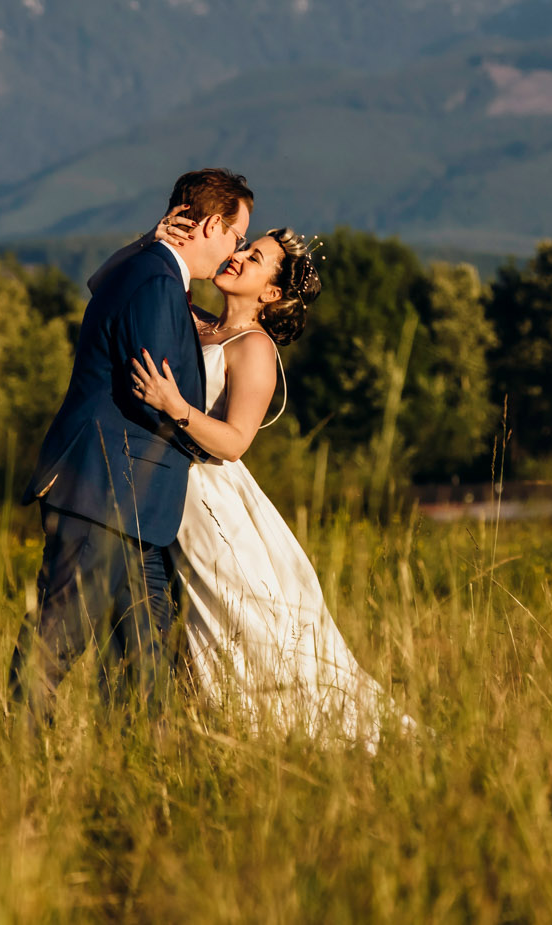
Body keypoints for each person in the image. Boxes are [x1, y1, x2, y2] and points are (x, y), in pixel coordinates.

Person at [128, 225, 399, 747]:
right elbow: (110, 283)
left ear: (271, 294)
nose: (238, 257)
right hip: (168, 494)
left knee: (238, 626)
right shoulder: (196, 323)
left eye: (254, 259)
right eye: (244, 248)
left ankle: (271, 739)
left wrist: (174, 407)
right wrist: (152, 240)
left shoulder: (254, 348)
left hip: (211, 502)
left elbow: (233, 442)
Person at [7, 168, 252, 729]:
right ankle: (17, 761)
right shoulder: (156, 279)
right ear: (212, 224)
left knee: (144, 658)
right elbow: (154, 390)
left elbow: (101, 284)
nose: (235, 250)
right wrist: (197, 421)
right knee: (57, 639)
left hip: (138, 504)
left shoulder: (150, 269)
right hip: (106, 491)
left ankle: (144, 775)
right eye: (237, 236)